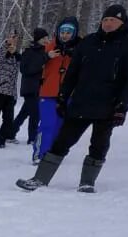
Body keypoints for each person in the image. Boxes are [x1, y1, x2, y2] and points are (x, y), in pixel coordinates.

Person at [16, 4, 128, 193]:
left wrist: (122, 107)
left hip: (109, 104)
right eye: (105, 20)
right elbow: (72, 73)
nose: (108, 24)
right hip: (81, 102)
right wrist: (62, 97)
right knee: (62, 141)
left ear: (122, 23)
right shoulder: (90, 41)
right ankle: (40, 179)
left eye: (113, 21)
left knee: (99, 144)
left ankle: (87, 182)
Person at [36, 16, 81, 162]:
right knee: (47, 125)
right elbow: (30, 66)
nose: (65, 35)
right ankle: (40, 154)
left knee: (61, 128)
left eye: (69, 32)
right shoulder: (49, 46)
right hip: (48, 93)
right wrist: (46, 57)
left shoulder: (80, 48)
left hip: (69, 95)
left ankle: (53, 156)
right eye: (62, 31)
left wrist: (75, 56)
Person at [8, 28, 49, 146]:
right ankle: (32, 138)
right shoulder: (30, 51)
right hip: (30, 88)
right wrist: (45, 60)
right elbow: (26, 69)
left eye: (47, 38)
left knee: (25, 112)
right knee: (35, 114)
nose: (47, 40)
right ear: (38, 39)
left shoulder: (43, 51)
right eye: (44, 38)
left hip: (38, 88)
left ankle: (10, 133)